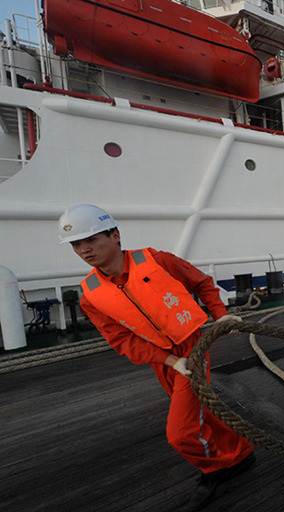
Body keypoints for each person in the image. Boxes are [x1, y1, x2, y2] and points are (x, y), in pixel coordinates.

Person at [58, 204, 254, 511]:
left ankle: (214, 469)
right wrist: (168, 362)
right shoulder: (90, 295)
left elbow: (201, 282)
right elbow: (121, 339)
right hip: (161, 359)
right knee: (199, 411)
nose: (84, 249)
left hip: (192, 347)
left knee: (181, 432)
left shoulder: (156, 260)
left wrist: (221, 315)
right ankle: (240, 454)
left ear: (116, 235)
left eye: (92, 239)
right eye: (76, 244)